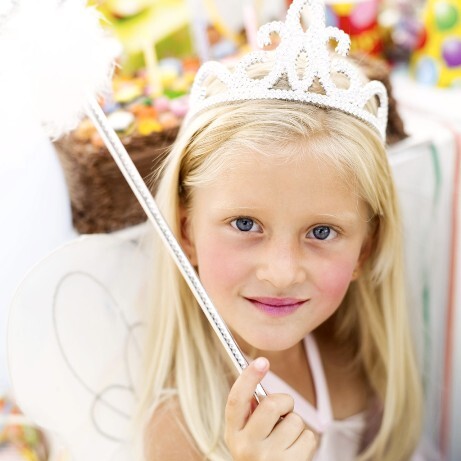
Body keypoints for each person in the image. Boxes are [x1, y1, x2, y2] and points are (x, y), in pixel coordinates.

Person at [137, 0, 423, 459]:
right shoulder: (182, 429)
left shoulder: (355, 356)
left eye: (322, 232)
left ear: (365, 250)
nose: (282, 272)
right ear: (187, 233)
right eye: (246, 224)